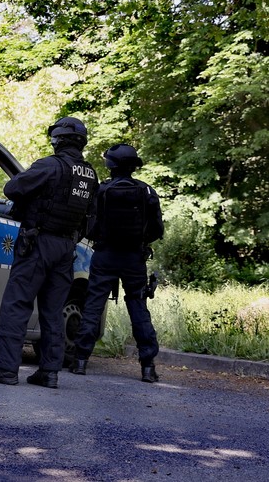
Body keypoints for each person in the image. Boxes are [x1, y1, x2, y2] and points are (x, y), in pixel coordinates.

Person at [0, 117, 99, 388]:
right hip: (67, 248)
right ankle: (49, 371)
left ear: (59, 140)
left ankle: (6, 369)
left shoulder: (50, 166)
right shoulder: (90, 175)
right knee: (53, 311)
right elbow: (92, 218)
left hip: (38, 243)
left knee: (16, 304)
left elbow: (13, 188)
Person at [70, 144, 164, 382]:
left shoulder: (100, 191)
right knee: (139, 308)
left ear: (110, 166)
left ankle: (80, 361)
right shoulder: (147, 192)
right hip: (134, 258)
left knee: (92, 307)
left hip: (104, 256)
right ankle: (148, 368)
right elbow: (156, 229)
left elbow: (88, 226)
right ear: (134, 166)